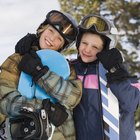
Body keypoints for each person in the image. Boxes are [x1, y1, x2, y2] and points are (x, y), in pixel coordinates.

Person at [0, 10, 82, 140]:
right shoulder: (17, 60)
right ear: (42, 29)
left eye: (59, 39)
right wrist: (43, 109)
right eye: (51, 31)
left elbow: (74, 97)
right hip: (27, 133)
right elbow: (5, 102)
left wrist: (41, 73)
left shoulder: (65, 68)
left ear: (62, 46)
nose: (52, 39)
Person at [72, 14, 140, 140]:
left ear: (105, 49)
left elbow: (131, 104)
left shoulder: (120, 71)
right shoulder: (71, 69)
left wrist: (115, 72)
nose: (87, 49)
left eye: (95, 47)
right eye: (84, 43)